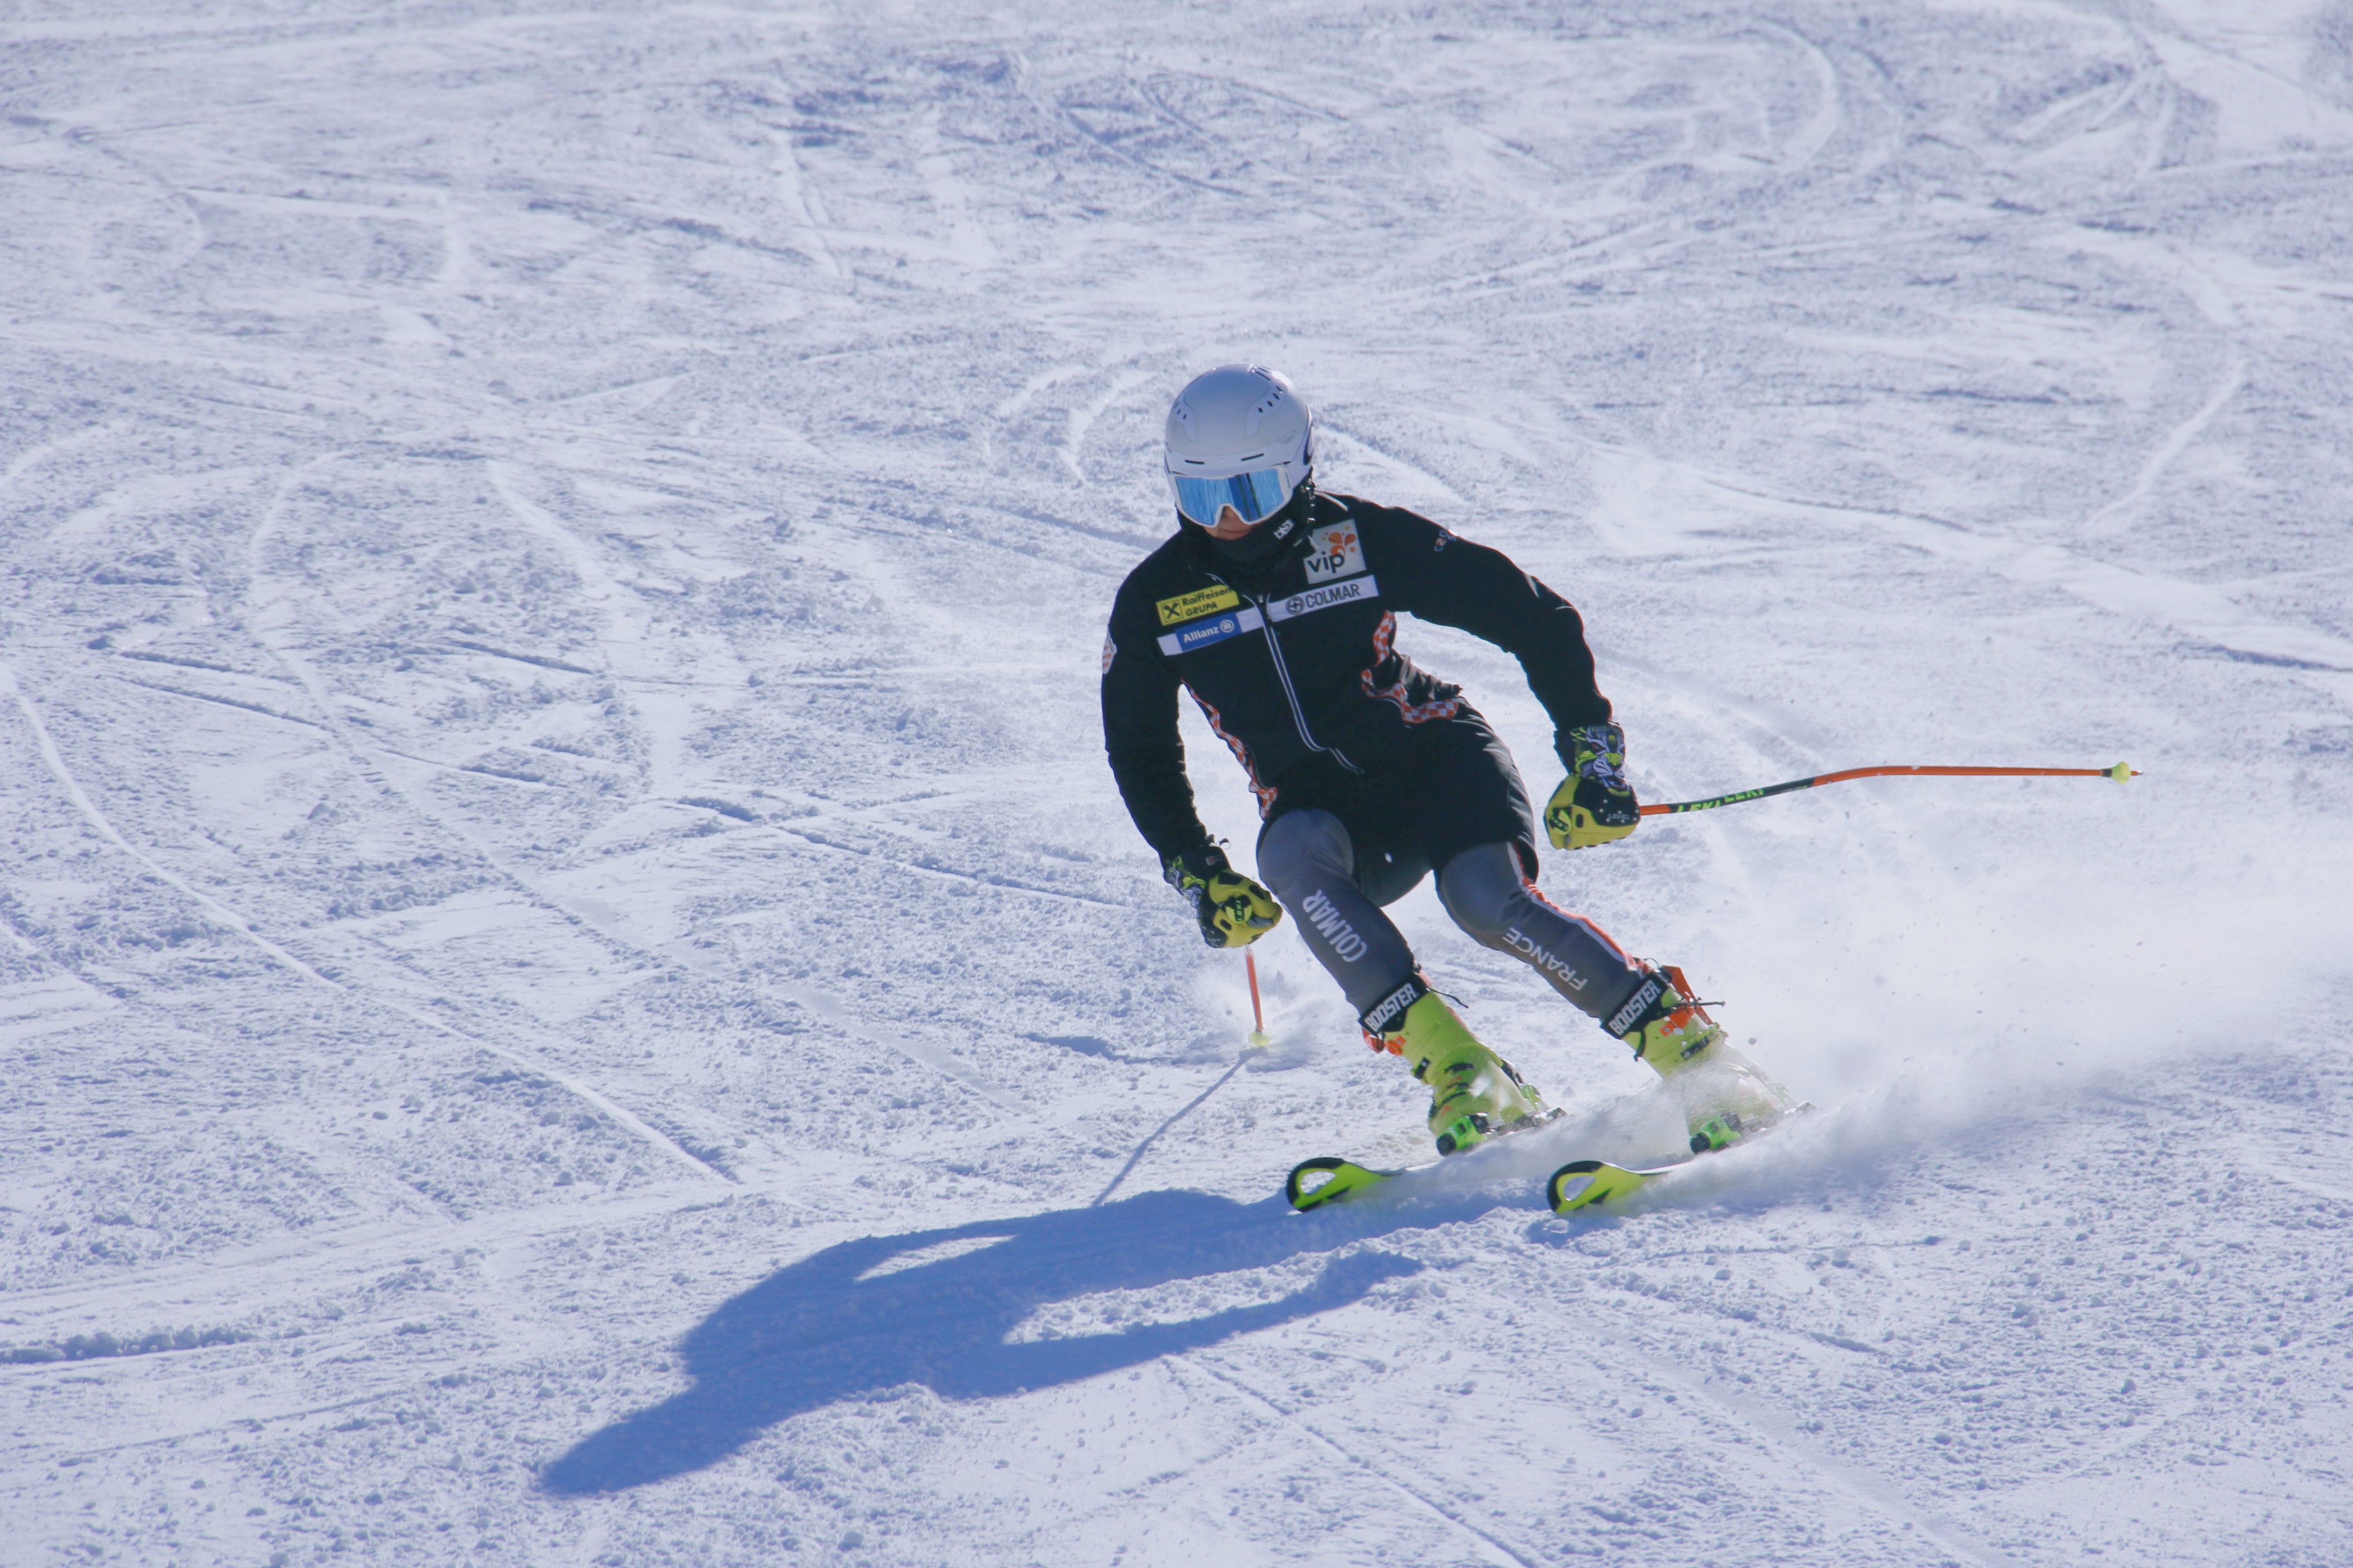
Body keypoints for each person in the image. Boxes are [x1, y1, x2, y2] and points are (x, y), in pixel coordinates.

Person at [1100, 364, 1795, 1157]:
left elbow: (1535, 617)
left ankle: (1703, 1062)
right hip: (1325, 811)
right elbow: (1140, 748)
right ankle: (1462, 1070)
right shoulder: (1156, 600)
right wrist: (1196, 870)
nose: (1225, 522)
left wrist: (1592, 753)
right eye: (1200, 499)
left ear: (1295, 473)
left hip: (1435, 756)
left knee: (1485, 901)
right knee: (1288, 857)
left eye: (1249, 497)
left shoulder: (1357, 541)